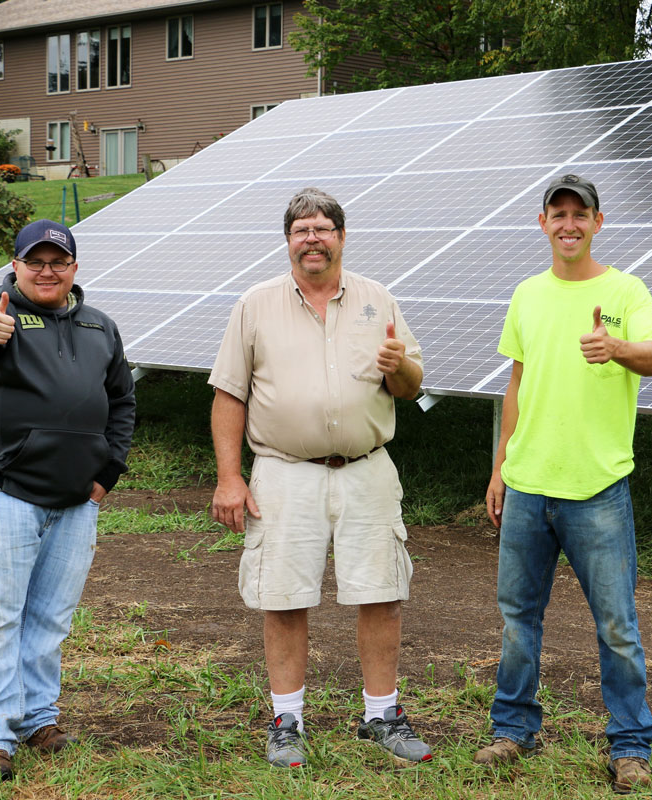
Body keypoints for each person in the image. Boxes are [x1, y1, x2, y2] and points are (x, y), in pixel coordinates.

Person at [209, 188, 431, 768]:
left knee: (381, 592)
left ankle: (382, 715)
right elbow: (229, 393)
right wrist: (230, 478)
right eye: (301, 229)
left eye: (323, 228)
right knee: (283, 596)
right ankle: (287, 720)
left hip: (367, 470)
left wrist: (399, 367)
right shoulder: (255, 305)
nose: (313, 238)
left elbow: (411, 386)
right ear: (288, 241)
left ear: (341, 236)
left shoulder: (377, 299)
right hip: (284, 473)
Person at [478, 174, 652, 793]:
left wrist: (614, 346)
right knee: (517, 619)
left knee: (616, 624)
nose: (568, 224)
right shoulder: (526, 295)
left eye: (578, 214)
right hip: (529, 483)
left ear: (597, 222)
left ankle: (630, 744)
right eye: (556, 214)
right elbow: (516, 383)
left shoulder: (627, 289)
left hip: (598, 489)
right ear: (542, 224)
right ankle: (511, 730)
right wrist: (500, 467)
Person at [0, 219, 136, 782]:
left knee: (50, 619)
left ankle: (37, 718)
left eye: (59, 261)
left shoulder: (100, 326)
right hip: (8, 492)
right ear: (16, 266)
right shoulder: (1, 316)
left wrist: (108, 472)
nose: (47, 270)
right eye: (36, 261)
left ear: (75, 269)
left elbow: (122, 403)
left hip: (78, 501)